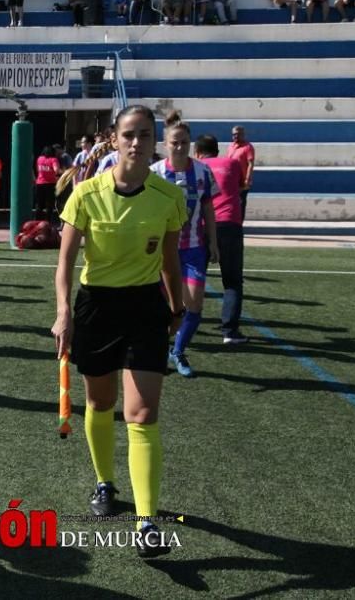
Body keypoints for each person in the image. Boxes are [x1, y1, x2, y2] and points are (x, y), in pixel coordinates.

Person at [52, 104, 186, 559]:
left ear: (155, 142)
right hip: (96, 309)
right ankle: (104, 482)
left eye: (145, 135)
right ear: (114, 139)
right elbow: (66, 261)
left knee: (143, 414)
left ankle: (147, 521)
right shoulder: (86, 193)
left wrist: (178, 302)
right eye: (129, 134)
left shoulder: (169, 197)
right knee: (99, 402)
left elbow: (170, 259)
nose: (136, 142)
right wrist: (63, 313)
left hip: (146, 307)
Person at [151, 112, 219, 378]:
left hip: (193, 248)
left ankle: (178, 350)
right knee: (160, 306)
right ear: (165, 144)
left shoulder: (203, 171)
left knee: (194, 305)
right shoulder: (154, 173)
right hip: (160, 250)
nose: (179, 147)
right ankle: (158, 350)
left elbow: (209, 209)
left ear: (191, 143)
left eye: (184, 142)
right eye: (174, 142)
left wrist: (213, 242)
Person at [193, 134, 248, 345]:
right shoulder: (232, 163)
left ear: (197, 152)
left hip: (202, 226)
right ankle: (230, 331)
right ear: (218, 150)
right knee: (232, 281)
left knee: (194, 278)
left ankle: (185, 325)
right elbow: (242, 185)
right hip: (229, 225)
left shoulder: (196, 167)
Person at [224, 125, 255, 220]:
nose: (235, 136)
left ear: (243, 135)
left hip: (241, 182)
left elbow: (250, 164)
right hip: (231, 181)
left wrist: (247, 179)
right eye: (234, 134)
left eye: (238, 134)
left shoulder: (248, 147)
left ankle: (240, 224)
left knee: (241, 204)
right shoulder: (230, 147)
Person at [34, 145, 60, 221]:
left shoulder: (39, 159)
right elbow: (56, 170)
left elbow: (37, 170)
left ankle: (37, 220)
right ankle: (48, 221)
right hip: (50, 184)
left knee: (39, 204)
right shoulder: (53, 159)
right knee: (49, 204)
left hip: (40, 183)